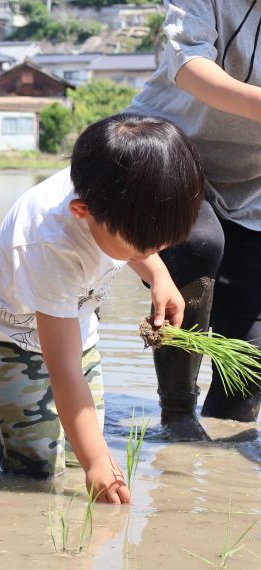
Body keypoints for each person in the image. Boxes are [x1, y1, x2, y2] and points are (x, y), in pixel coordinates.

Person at [0, 114, 205, 504]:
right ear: (82, 212)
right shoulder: (51, 244)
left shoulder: (115, 198)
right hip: (9, 337)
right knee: (36, 469)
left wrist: (159, 277)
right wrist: (98, 461)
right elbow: (63, 371)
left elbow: (135, 242)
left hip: (74, 324)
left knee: (84, 454)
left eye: (159, 246)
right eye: (140, 248)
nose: (150, 255)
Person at [127, 0, 261, 440]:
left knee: (249, 360)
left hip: (251, 181)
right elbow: (190, 66)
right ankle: (178, 414)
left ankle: (226, 439)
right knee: (199, 242)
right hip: (168, 150)